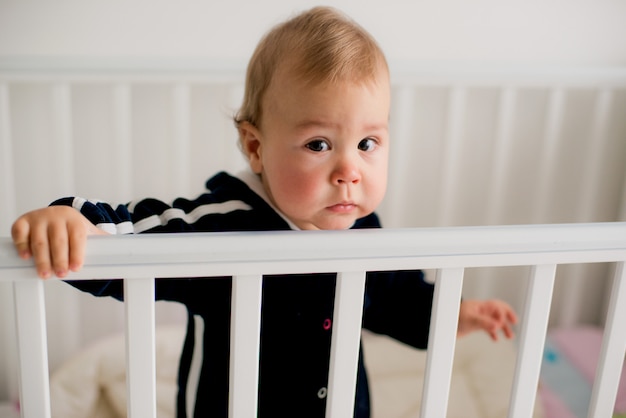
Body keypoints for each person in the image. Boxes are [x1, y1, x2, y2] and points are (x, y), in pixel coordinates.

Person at [10, 6, 517, 418]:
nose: (349, 170)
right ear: (255, 147)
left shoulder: (363, 230)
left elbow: (395, 299)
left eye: (368, 143)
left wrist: (452, 314)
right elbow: (139, 236)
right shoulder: (224, 225)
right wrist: (72, 221)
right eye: (319, 143)